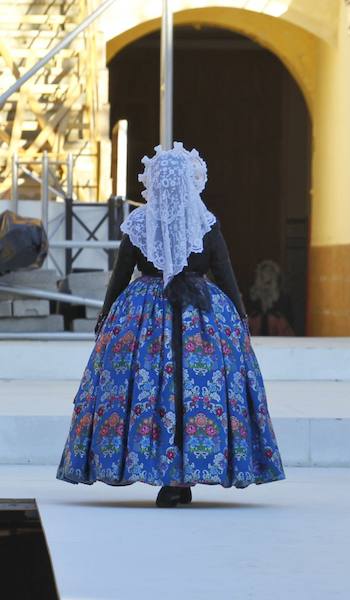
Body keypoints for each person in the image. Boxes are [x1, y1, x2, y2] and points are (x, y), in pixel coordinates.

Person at [57, 142, 285, 506]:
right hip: (202, 314)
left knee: (148, 388)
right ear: (190, 181)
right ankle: (184, 476)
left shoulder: (140, 223)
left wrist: (105, 318)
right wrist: (239, 319)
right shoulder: (205, 223)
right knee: (196, 387)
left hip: (142, 314)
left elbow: (120, 276)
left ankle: (157, 468)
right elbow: (224, 272)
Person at [247, 259, 296, 336]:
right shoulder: (252, 295)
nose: (266, 276)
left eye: (269, 272)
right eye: (263, 273)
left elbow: (289, 320)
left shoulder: (283, 297)